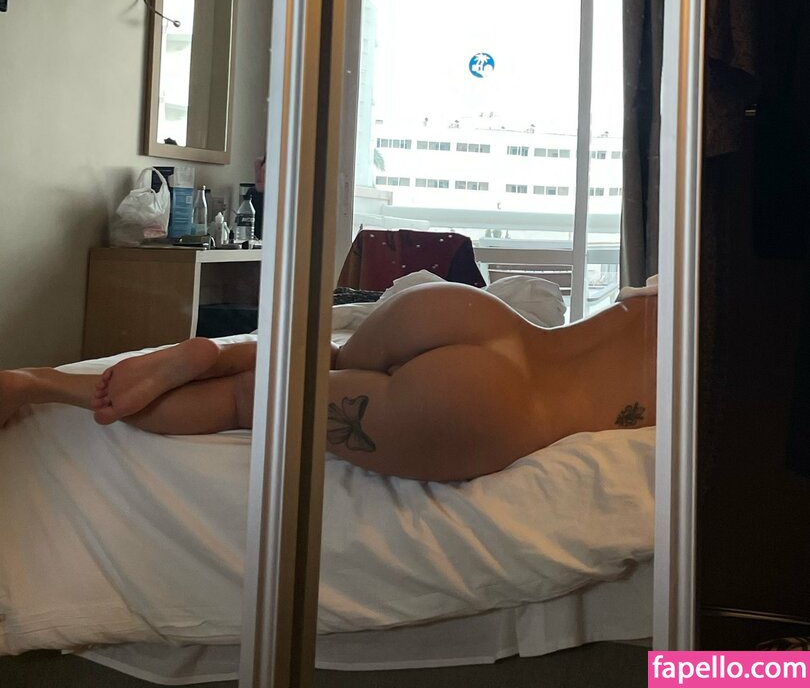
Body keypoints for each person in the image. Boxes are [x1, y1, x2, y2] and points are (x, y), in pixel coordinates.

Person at [0, 281, 657, 483]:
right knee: (244, 403)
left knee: (331, 357)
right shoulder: (719, 357)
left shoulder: (682, 279)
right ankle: (40, 387)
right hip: (496, 408)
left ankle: (217, 350)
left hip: (473, 317)